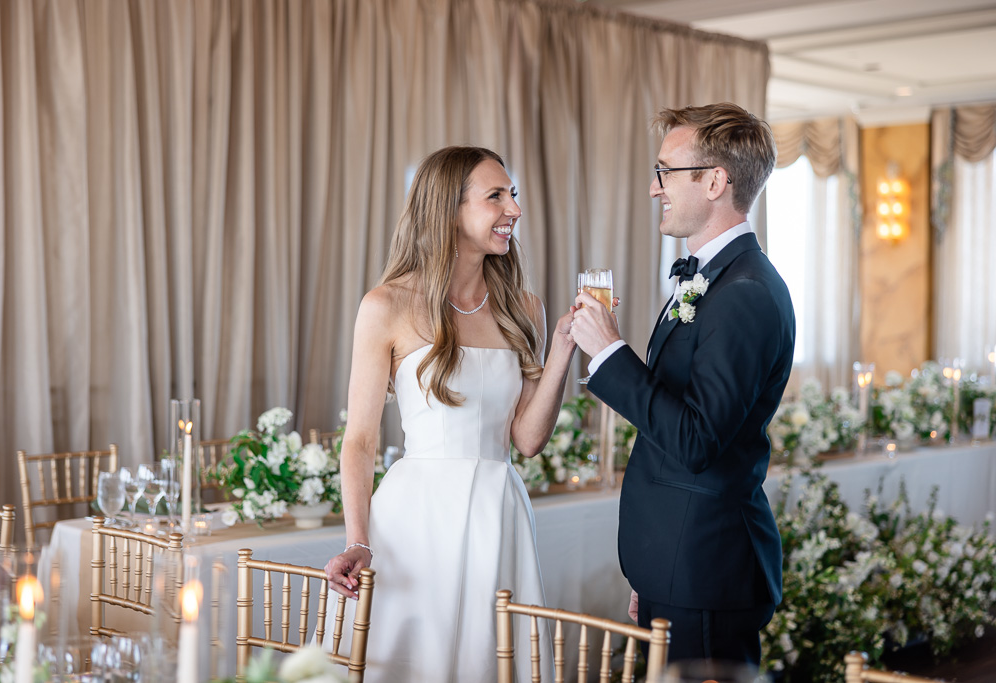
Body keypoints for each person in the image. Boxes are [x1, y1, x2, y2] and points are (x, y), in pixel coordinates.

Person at [323, 146, 573, 682]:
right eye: (496, 197)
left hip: (498, 511)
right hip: (414, 520)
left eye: (514, 195)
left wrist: (562, 351)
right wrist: (357, 539)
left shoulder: (523, 307)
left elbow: (527, 440)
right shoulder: (385, 305)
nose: (515, 209)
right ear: (449, 210)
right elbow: (360, 441)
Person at [569, 102, 795, 665]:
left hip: (707, 566)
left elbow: (696, 439)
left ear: (715, 181)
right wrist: (653, 566)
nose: (654, 188)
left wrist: (611, 352)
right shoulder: (714, 278)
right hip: (679, 561)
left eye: (666, 171)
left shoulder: (745, 294)